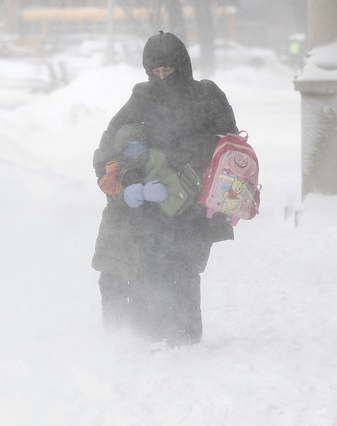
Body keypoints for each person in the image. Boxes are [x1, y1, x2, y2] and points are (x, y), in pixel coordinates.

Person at [92, 31, 238, 347]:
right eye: (155, 72)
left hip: (195, 203)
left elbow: (229, 146)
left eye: (168, 71)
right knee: (150, 265)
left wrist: (192, 176)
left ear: (182, 67)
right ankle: (146, 336)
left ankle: (185, 339)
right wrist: (129, 185)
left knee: (182, 268)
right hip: (154, 203)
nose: (162, 77)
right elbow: (108, 147)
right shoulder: (141, 98)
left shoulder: (208, 96)